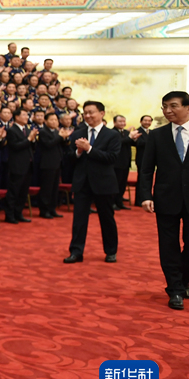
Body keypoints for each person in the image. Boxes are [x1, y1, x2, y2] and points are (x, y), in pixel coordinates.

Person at [138, 91, 189, 310]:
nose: (168, 111)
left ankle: (185, 280)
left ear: (187, 107)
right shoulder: (157, 136)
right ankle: (175, 289)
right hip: (166, 198)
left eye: (173, 106)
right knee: (168, 245)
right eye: (164, 107)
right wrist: (145, 196)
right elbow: (146, 169)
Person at [63, 101, 121, 264]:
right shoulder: (77, 133)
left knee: (107, 218)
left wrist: (89, 149)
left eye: (91, 112)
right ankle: (76, 251)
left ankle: (111, 251)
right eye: (85, 113)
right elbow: (68, 159)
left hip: (104, 183)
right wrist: (78, 152)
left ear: (102, 113)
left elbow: (111, 158)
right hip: (82, 182)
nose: (87, 116)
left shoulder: (112, 135)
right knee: (79, 220)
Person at [4, 108, 38, 224]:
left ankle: (18, 213)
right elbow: (15, 146)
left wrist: (32, 140)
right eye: (24, 115)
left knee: (23, 192)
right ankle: (9, 215)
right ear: (17, 117)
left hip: (28, 164)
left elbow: (30, 146)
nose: (26, 117)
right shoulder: (12, 130)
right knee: (14, 191)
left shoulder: (27, 129)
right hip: (17, 165)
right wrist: (29, 139)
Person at [37, 112, 70, 219]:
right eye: (51, 120)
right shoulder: (43, 132)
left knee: (55, 188)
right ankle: (44, 210)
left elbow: (63, 145)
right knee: (47, 188)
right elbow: (48, 144)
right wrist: (60, 136)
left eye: (56, 120)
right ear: (45, 121)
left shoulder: (57, 131)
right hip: (47, 164)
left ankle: (52, 208)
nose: (54, 122)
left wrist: (65, 138)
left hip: (57, 163)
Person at [112, 115, 133, 210]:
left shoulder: (126, 132)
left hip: (125, 162)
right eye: (120, 121)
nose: (122, 123)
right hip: (116, 163)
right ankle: (112, 203)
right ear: (114, 122)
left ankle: (119, 202)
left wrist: (134, 138)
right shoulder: (112, 132)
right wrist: (130, 137)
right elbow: (119, 142)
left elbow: (130, 143)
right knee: (115, 184)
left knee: (122, 184)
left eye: (124, 121)